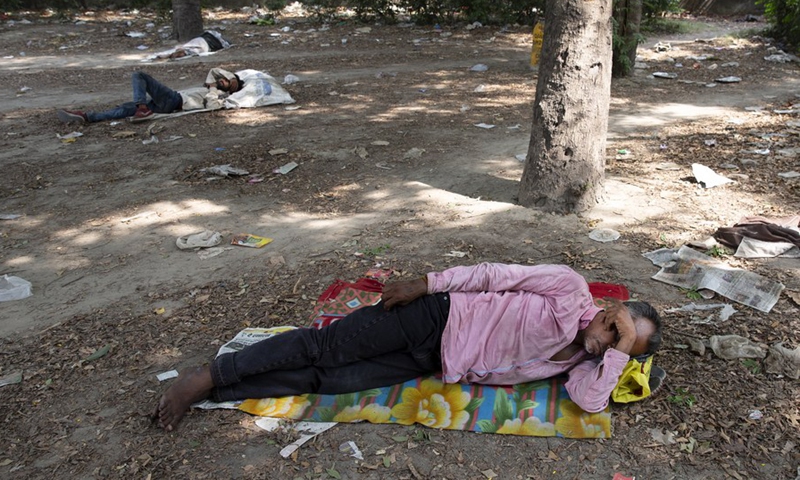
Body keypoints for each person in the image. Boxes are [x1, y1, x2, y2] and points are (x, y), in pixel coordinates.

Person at [153, 263, 663, 431]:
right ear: (610, 310)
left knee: (329, 382)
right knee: (326, 347)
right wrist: (429, 282)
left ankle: (217, 394)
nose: (605, 344)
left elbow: (593, 401)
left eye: (617, 346)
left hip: (434, 360)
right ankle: (206, 377)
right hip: (437, 316)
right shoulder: (570, 288)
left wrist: (615, 351)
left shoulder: (583, 363)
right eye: (614, 330)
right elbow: (495, 275)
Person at [57, 68, 244, 124]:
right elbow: (214, 71)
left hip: (175, 101)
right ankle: (86, 117)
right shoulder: (211, 85)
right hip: (164, 104)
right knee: (123, 108)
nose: (222, 80)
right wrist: (217, 79)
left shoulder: (220, 96)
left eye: (227, 81)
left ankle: (142, 107)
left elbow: (212, 107)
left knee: (139, 76)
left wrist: (214, 88)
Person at [153, 30, 231, 60]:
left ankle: (172, 54)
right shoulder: (214, 37)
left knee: (191, 48)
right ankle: (173, 54)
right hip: (204, 42)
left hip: (203, 42)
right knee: (191, 48)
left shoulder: (213, 37)